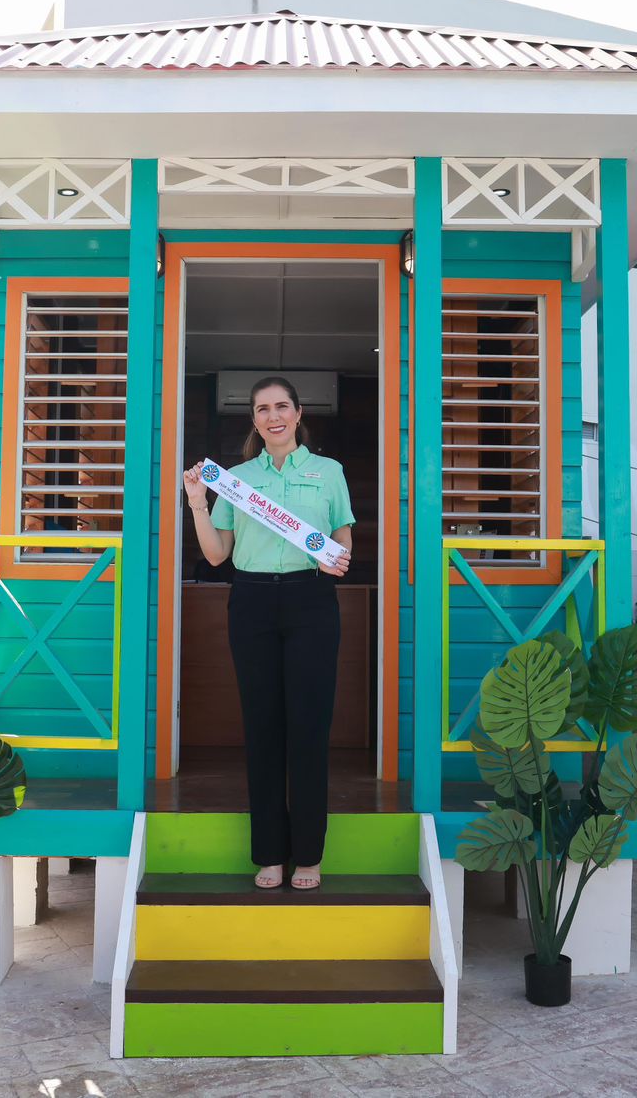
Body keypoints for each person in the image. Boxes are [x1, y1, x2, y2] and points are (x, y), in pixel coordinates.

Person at [182, 376, 353, 892]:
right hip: (252, 600)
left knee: (308, 729)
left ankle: (309, 856)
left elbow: (342, 536)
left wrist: (338, 557)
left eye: (281, 407)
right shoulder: (236, 479)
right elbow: (218, 555)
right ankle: (270, 854)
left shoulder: (329, 472)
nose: (273, 416)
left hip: (311, 601)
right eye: (262, 409)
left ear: (298, 413)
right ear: (254, 420)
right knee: (261, 729)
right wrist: (197, 500)